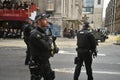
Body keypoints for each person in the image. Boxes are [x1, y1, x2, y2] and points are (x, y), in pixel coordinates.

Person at [29, 13, 55, 80]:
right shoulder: (35, 34)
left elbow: (49, 47)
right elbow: (46, 46)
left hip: (45, 61)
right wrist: (50, 39)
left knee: (50, 77)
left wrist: (54, 49)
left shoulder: (43, 33)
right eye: (44, 19)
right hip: (37, 63)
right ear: (38, 21)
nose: (47, 21)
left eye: (47, 19)